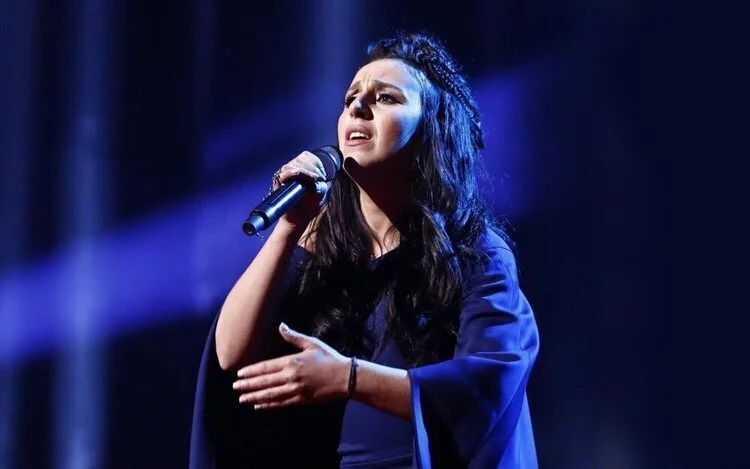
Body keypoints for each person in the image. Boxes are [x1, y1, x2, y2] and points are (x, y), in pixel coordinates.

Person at [189, 31, 540, 469]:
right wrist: (289, 228)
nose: (357, 107)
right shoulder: (322, 246)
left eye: (386, 97)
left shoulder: (476, 253)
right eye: (350, 97)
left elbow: (487, 386)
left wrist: (349, 377)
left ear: (432, 128)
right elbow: (231, 355)